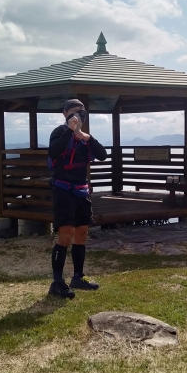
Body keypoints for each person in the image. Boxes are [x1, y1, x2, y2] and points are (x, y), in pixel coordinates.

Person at [47, 98, 108, 299]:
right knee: (65, 234)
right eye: (74, 113)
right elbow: (54, 152)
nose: (78, 116)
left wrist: (87, 137)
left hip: (81, 190)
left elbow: (102, 155)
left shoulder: (85, 137)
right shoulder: (58, 132)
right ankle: (57, 283)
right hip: (62, 189)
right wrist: (69, 131)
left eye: (82, 113)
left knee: (81, 233)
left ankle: (78, 277)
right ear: (65, 114)